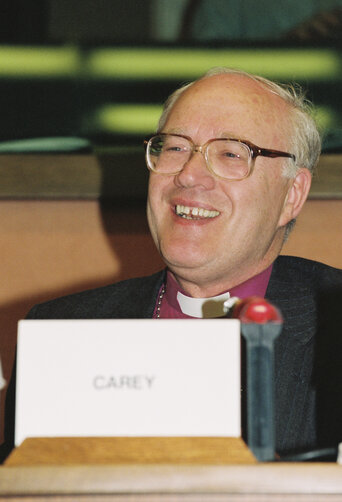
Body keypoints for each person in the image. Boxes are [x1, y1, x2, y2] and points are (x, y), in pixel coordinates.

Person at [3, 67, 342, 460]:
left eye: (231, 153)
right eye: (175, 148)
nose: (189, 175)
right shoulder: (60, 331)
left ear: (291, 195)